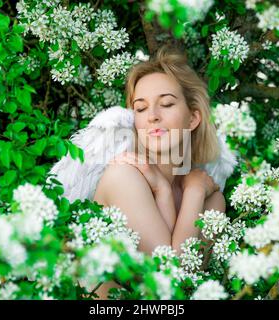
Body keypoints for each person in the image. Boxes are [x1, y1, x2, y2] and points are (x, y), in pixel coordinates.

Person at [91, 45, 226, 299]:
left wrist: (185, 191)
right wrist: (185, 191)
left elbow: (186, 287)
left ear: (193, 119)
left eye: (166, 104)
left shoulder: (212, 198)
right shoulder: (123, 177)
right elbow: (170, 277)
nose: (152, 116)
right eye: (140, 109)